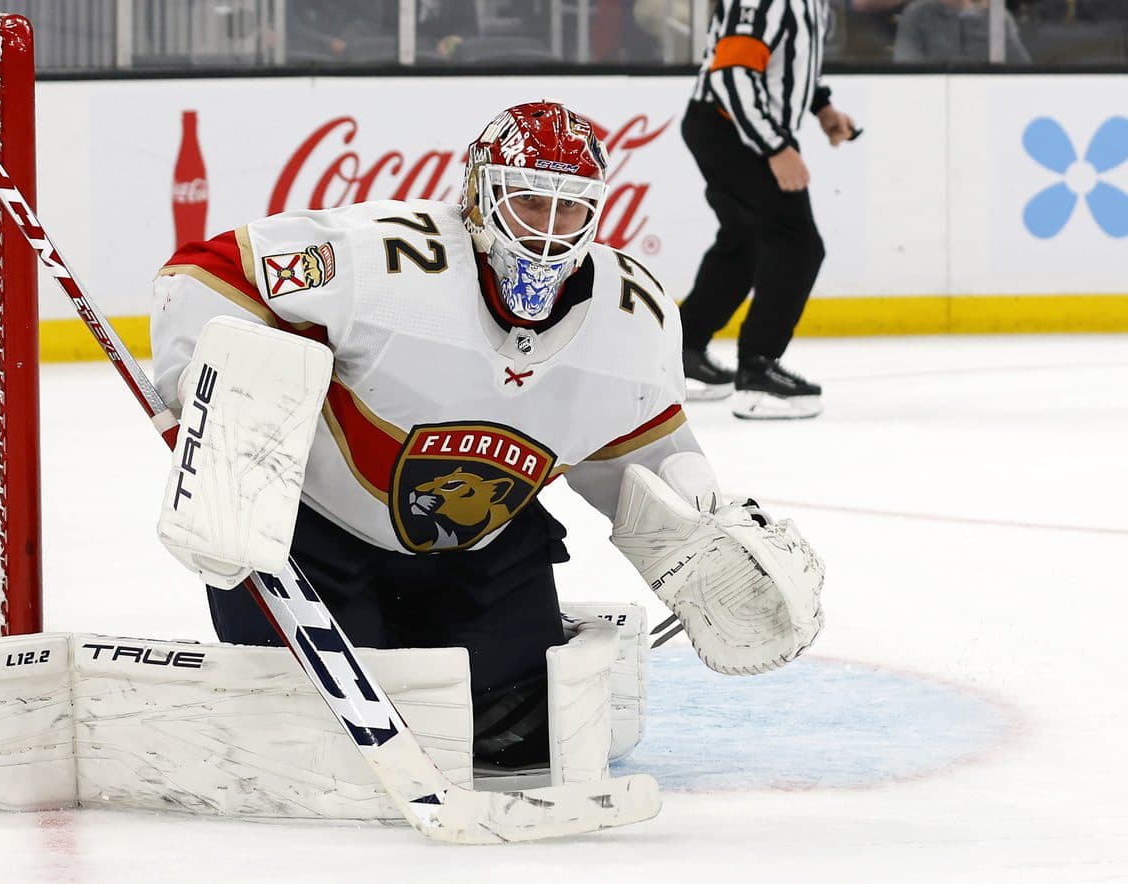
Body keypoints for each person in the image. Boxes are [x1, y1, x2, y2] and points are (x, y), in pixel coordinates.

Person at [150, 100, 824, 772]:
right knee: (316, 741)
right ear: (477, 195)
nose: (550, 232)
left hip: (482, 553)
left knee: (522, 737)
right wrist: (209, 408)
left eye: (571, 209)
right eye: (530, 202)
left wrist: (702, 527)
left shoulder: (634, 315)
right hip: (313, 539)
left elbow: (641, 453)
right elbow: (207, 273)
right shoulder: (384, 261)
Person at [677, 0, 857, 419]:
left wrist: (823, 108)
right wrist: (775, 148)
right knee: (798, 243)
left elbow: (788, 62)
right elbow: (731, 73)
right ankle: (758, 369)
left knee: (745, 240)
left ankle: (681, 351)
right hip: (729, 128)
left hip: (731, 127)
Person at [894, 0, 1031, 62]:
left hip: (988, 102)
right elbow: (905, 69)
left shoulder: (998, 16)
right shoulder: (918, 13)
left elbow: (1021, 71)